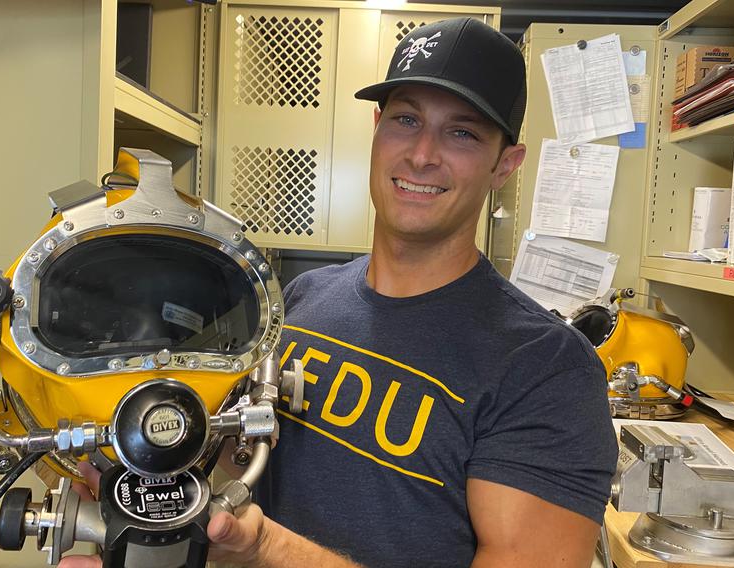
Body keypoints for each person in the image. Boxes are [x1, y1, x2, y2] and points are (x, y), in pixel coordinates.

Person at [60, 16, 618, 568]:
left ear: (505, 165)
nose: (422, 154)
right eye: (406, 119)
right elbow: (250, 460)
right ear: (376, 128)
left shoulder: (547, 370)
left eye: (462, 132)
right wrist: (137, 466)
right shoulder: (304, 300)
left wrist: (265, 550)